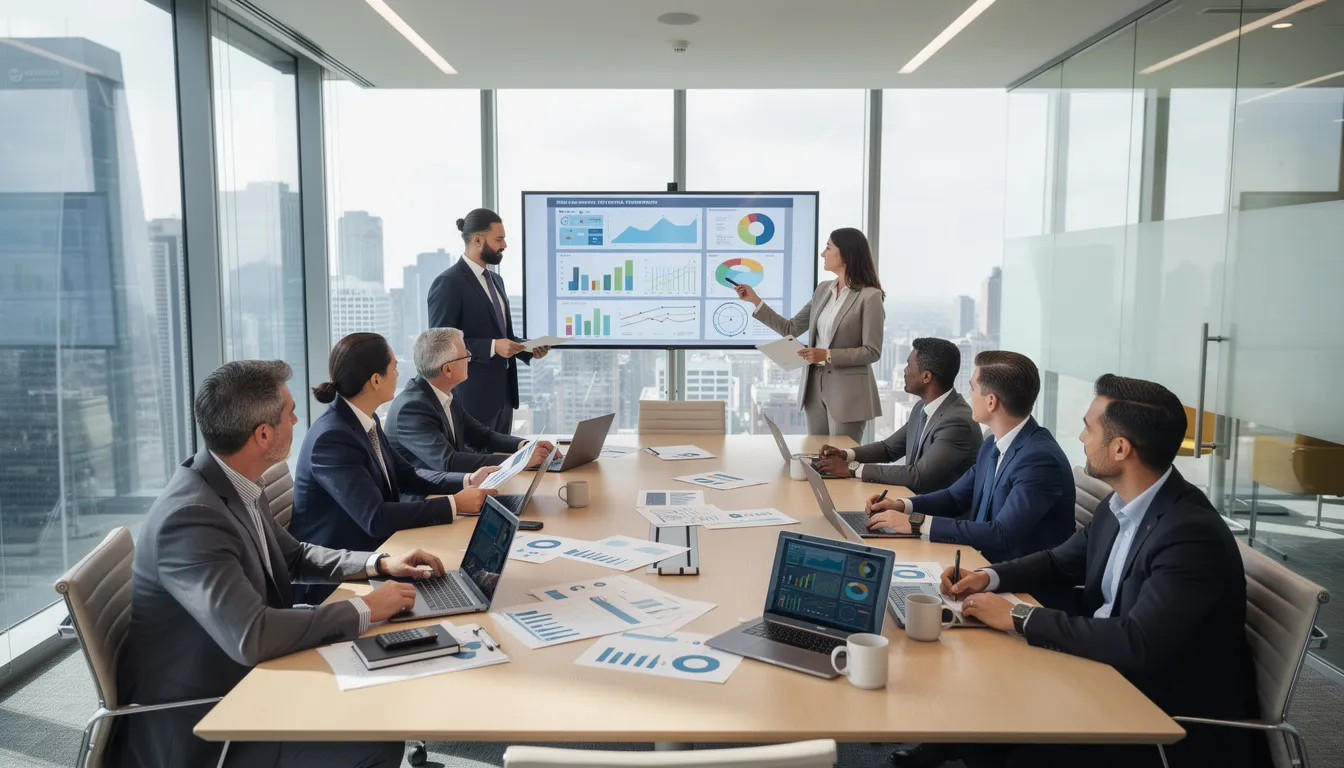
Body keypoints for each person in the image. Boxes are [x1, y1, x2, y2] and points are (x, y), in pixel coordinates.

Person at [897, 375, 1270, 768]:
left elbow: (1139, 642)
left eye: (1089, 428)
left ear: (1121, 448)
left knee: (1014, 749)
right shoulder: (1122, 505)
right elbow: (1060, 561)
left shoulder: (1189, 535)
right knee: (977, 714)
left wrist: (1019, 616)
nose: (1080, 437)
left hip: (1158, 710)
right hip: (1104, 670)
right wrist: (988, 577)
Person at [111, 360, 440, 768]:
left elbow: (295, 555)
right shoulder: (191, 518)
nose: (298, 419)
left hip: (247, 681)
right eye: (289, 413)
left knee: (379, 692)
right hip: (207, 723)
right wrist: (364, 608)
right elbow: (253, 635)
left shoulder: (233, 480)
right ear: (263, 434)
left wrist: (380, 563)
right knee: (377, 742)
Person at [291, 333, 496, 604]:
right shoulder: (333, 437)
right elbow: (375, 517)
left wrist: (466, 481)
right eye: (394, 367)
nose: (399, 374)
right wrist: (453, 505)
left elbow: (408, 475)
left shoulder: (364, 419)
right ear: (375, 380)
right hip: (338, 578)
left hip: (381, 550)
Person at [864, 350, 1074, 569]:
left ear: (991, 401)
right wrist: (901, 506)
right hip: (979, 565)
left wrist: (917, 523)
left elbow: (1002, 534)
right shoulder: (993, 444)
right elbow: (955, 498)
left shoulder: (1039, 460)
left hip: (1021, 586)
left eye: (973, 388)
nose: (968, 394)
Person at [735, 228, 884, 443]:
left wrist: (828, 354)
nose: (823, 254)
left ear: (845, 254)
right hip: (814, 386)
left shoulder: (870, 297)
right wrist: (755, 301)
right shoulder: (823, 290)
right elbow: (791, 328)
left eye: (828, 248)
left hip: (848, 393)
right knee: (816, 453)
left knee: (840, 458)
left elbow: (872, 351)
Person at [426, 208, 547, 435]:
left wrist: (527, 348)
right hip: (471, 399)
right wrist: (492, 346)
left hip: (504, 399)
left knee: (503, 464)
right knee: (478, 465)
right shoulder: (448, 282)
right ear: (478, 239)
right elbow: (439, 345)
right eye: (499, 239)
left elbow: (504, 336)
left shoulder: (496, 281)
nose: (505, 245)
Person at [814, 337, 981, 493]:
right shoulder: (922, 408)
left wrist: (852, 468)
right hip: (911, 501)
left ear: (926, 376)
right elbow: (889, 449)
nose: (905, 371)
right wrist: (845, 454)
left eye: (909, 365)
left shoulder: (957, 423)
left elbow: (919, 475)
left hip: (938, 515)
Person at [386, 327, 557, 472]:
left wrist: (527, 446)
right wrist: (520, 461)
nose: (470, 358)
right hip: (428, 500)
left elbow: (483, 437)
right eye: (465, 354)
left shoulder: (445, 395)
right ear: (447, 369)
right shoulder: (412, 408)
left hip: (454, 490)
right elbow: (449, 462)